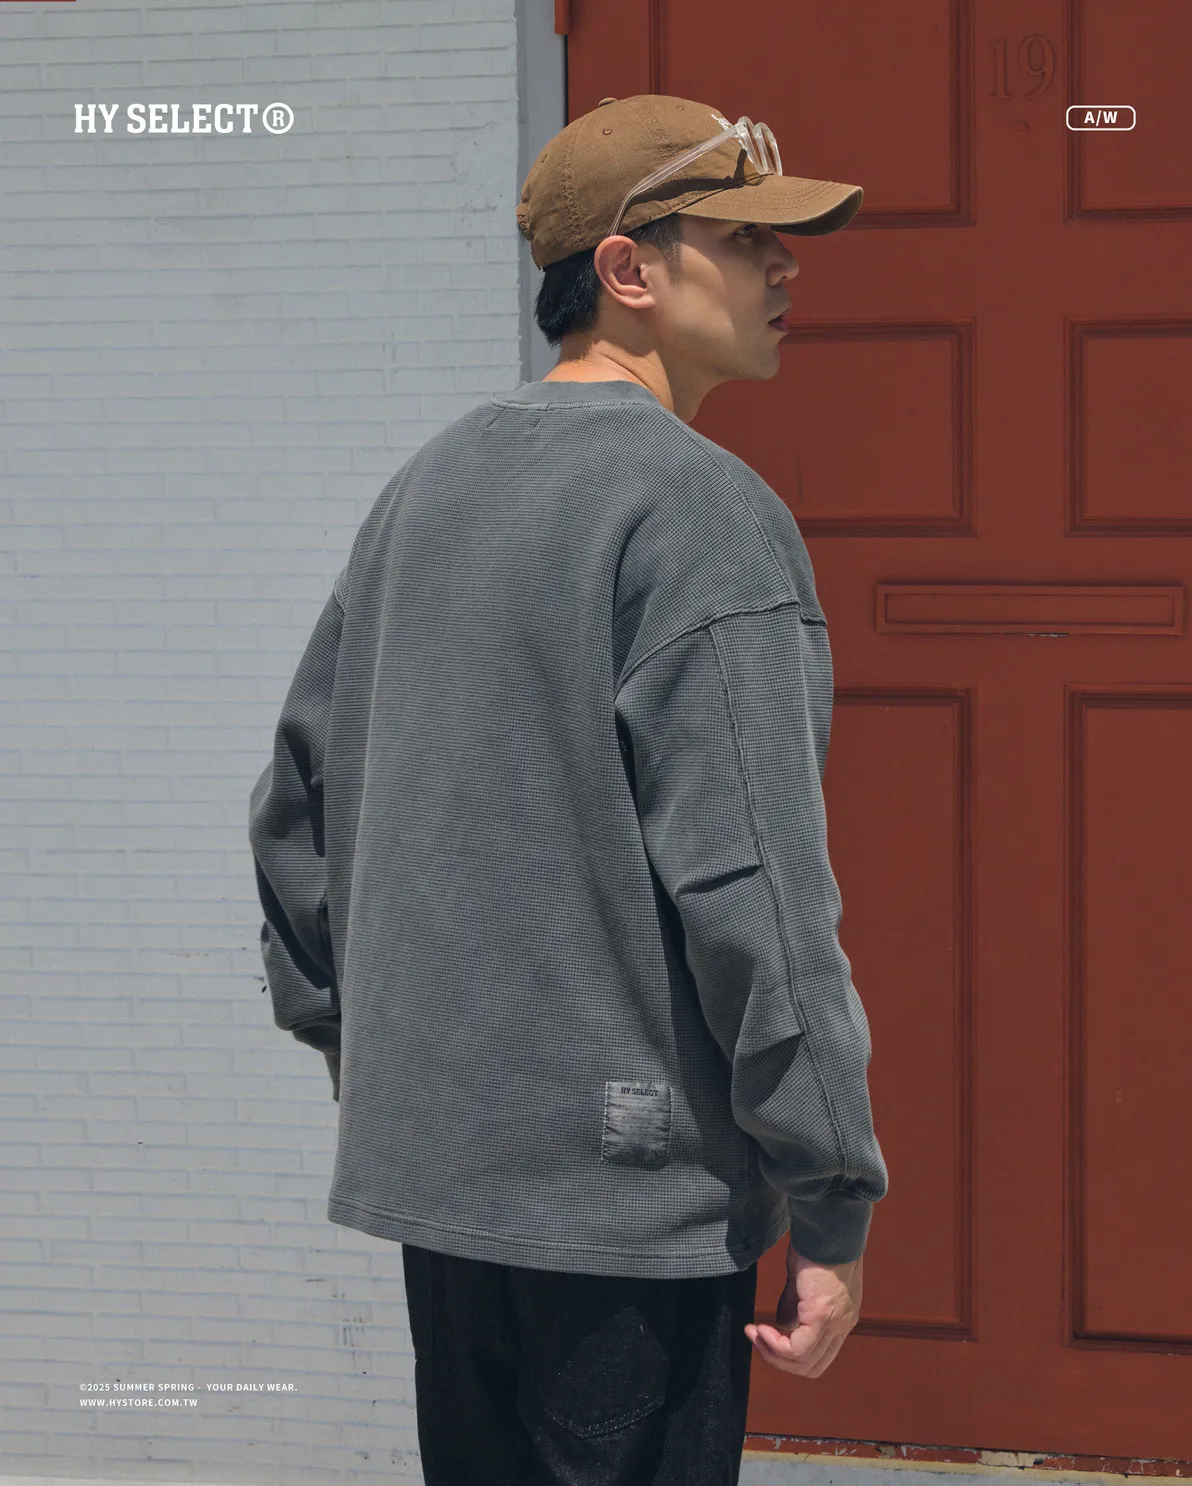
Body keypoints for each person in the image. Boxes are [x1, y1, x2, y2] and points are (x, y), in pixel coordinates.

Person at [248, 92, 888, 1486]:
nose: (787, 265)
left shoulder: (427, 488)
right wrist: (830, 1196)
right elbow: (760, 896)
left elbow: (295, 811)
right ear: (626, 268)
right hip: (630, 1211)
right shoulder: (702, 511)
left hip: (441, 1187)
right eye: (746, 238)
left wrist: (388, 1065)